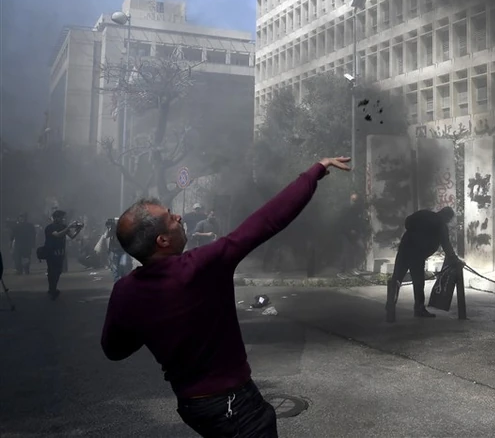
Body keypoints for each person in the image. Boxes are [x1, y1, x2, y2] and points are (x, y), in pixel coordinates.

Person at [100, 156, 350, 438]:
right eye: (171, 217)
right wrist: (315, 171)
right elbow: (267, 219)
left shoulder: (125, 291)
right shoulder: (201, 266)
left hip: (193, 406)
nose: (179, 217)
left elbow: (114, 350)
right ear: (162, 240)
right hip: (234, 405)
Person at [385, 206, 463, 323]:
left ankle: (390, 305)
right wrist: (455, 260)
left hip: (405, 248)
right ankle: (419, 309)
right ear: (447, 217)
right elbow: (446, 245)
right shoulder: (441, 225)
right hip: (417, 254)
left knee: (396, 279)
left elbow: (408, 221)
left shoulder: (424, 214)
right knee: (418, 282)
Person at [43, 210, 83, 300]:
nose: (63, 219)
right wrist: (69, 227)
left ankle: (53, 288)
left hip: (60, 252)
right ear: (56, 218)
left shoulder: (63, 226)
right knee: (51, 271)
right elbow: (57, 235)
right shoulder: (50, 227)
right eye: (61, 217)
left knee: (58, 271)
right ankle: (52, 289)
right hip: (51, 252)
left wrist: (79, 230)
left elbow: (72, 236)